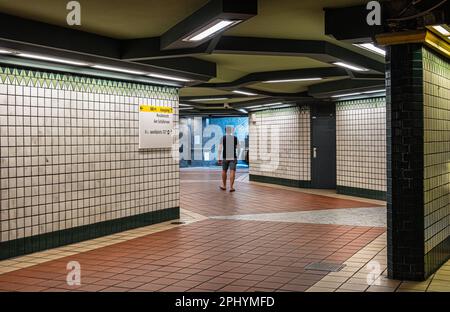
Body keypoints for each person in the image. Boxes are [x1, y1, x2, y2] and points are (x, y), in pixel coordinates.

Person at [218, 126, 239, 192]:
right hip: (233, 157)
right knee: (232, 171)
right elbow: (238, 148)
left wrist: (219, 157)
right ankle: (231, 187)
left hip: (225, 157)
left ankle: (224, 186)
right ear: (231, 131)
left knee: (224, 171)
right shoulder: (235, 138)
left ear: (225, 131)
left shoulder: (223, 138)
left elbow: (220, 149)